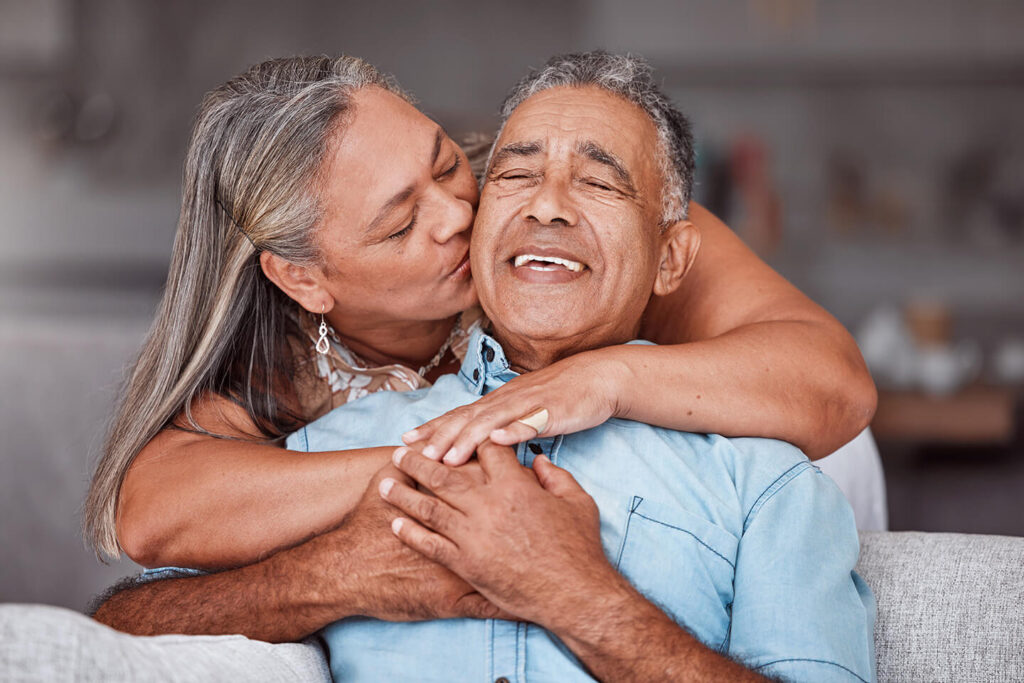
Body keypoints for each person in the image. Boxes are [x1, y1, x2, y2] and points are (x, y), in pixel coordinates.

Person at [93, 52, 875, 682]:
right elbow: (149, 524)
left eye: (446, 164)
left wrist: (590, 384)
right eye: (400, 223)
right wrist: (453, 474)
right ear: (306, 281)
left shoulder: (584, 226)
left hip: (768, 427)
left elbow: (831, 384)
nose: (460, 216)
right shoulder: (289, 395)